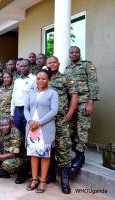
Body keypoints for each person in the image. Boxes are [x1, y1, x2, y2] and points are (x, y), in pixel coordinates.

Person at [64, 46, 101, 173]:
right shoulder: (67, 69)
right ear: (69, 55)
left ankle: (79, 157)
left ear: (80, 53)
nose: (74, 54)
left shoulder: (87, 65)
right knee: (71, 130)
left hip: (84, 103)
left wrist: (90, 103)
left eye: (76, 52)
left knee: (82, 130)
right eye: (72, 52)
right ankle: (78, 154)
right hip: (71, 104)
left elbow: (93, 85)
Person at [47, 56, 78, 194]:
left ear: (58, 64)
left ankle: (65, 181)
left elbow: (74, 96)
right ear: (46, 65)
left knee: (63, 148)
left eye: (54, 62)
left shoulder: (65, 78)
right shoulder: (43, 78)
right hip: (46, 120)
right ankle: (50, 176)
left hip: (61, 119)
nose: (52, 64)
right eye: (49, 63)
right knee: (48, 147)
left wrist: (69, 115)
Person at [24, 68, 58, 193]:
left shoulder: (53, 93)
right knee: (33, 154)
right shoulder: (31, 92)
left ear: (48, 79)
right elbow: (26, 109)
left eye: (43, 78)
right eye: (38, 78)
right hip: (31, 128)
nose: (40, 80)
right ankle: (34, 179)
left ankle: (43, 181)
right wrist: (29, 121)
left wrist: (39, 122)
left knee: (44, 155)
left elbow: (54, 111)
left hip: (44, 128)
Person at [10, 59, 36, 135]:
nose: (23, 68)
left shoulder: (34, 79)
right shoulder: (17, 80)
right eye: (21, 66)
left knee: (29, 131)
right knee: (18, 131)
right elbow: (13, 97)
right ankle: (20, 147)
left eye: (25, 66)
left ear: (29, 67)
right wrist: (12, 113)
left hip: (28, 109)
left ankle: (28, 147)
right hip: (17, 110)